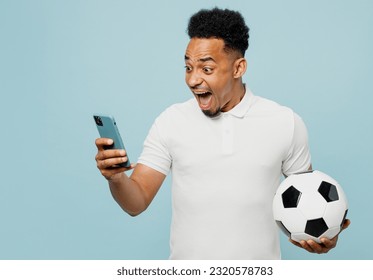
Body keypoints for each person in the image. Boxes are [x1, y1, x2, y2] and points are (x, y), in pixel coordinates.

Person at [95, 7, 350, 259]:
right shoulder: (171, 121)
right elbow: (136, 203)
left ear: (238, 68)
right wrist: (116, 179)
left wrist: (322, 234)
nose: (193, 80)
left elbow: (309, 201)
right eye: (188, 67)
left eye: (206, 69)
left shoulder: (285, 122)